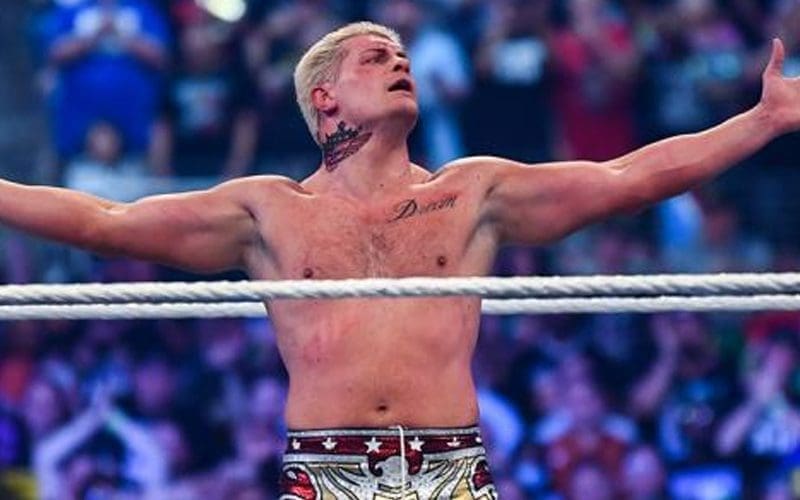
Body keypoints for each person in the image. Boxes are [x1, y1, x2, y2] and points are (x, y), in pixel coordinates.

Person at [1, 21, 799, 498]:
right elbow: (104, 219)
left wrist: (760, 122)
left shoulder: (472, 193)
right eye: (375, 57)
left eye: (402, 55)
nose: (400, 63)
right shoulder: (269, 210)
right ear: (325, 98)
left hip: (449, 466)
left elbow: (626, 179)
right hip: (328, 470)